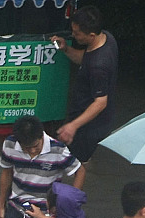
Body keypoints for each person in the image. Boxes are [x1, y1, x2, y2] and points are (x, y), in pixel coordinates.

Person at [0, 114, 85, 218]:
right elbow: (6, 173)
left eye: (36, 146)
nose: (32, 151)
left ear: (41, 136)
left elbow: (79, 171)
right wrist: (1, 205)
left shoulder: (58, 149)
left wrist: (69, 204)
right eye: (27, 148)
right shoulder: (9, 144)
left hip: (46, 213)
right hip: (16, 207)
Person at [52, 6, 118, 163]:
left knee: (78, 164)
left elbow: (101, 102)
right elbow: (85, 59)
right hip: (82, 114)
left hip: (89, 124)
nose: (74, 36)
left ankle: (75, 187)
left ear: (92, 35)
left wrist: (72, 126)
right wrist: (66, 49)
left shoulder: (99, 66)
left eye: (77, 34)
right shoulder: (107, 38)